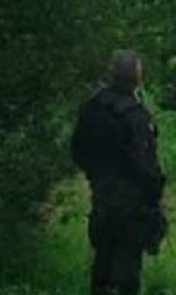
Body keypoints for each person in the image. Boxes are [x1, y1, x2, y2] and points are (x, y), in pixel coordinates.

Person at [70, 50, 167, 295]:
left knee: (102, 261)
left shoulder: (91, 108)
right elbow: (142, 163)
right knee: (127, 269)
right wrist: (156, 191)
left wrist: (96, 176)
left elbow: (78, 150)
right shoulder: (135, 116)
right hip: (132, 203)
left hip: (101, 195)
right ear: (137, 76)